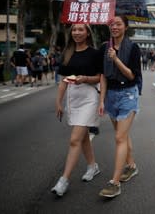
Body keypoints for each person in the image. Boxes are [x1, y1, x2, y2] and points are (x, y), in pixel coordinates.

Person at [51, 24, 103, 197]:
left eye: (81, 29)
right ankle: (92, 166)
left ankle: (63, 180)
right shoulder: (67, 53)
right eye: (74, 30)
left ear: (87, 33)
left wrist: (86, 79)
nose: (77, 32)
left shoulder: (95, 54)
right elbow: (64, 80)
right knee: (83, 138)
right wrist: (58, 102)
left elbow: (100, 77)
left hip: (89, 97)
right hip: (74, 97)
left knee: (75, 139)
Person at [98, 15, 141, 198]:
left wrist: (115, 59)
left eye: (118, 24)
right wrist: (101, 100)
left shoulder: (133, 48)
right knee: (123, 136)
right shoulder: (104, 47)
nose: (114, 27)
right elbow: (103, 75)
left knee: (119, 137)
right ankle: (131, 166)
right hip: (111, 96)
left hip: (128, 94)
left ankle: (114, 182)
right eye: (112, 24)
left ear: (125, 27)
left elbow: (131, 75)